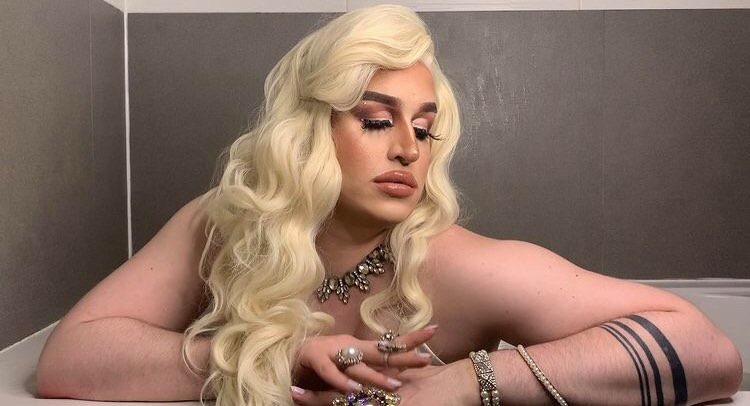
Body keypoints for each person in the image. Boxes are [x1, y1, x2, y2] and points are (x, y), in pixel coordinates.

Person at [36, 4, 742, 406]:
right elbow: (68, 360)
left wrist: (468, 382)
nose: (409, 148)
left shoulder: (454, 265)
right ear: (309, 131)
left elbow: (709, 350)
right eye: (377, 121)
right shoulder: (225, 223)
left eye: (425, 129)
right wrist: (275, 356)